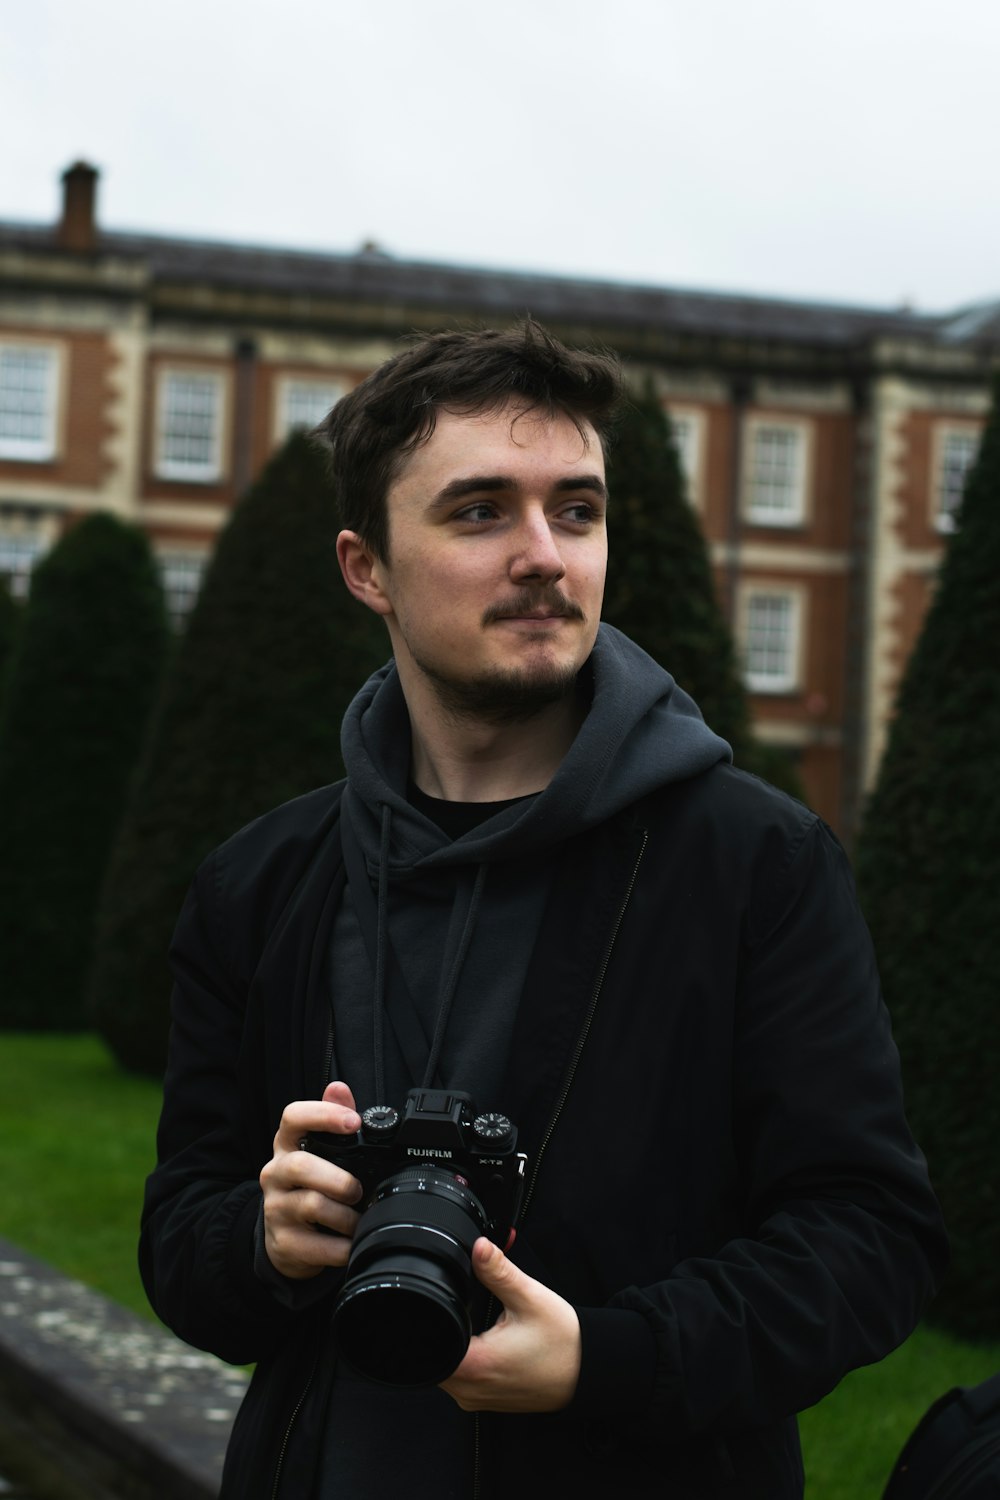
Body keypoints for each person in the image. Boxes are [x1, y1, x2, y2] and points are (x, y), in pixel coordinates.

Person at [140, 321, 947, 1499]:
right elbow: (181, 1237)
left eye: (575, 510)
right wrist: (259, 1243)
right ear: (365, 567)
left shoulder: (755, 862)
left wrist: (610, 1358)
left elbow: (872, 1240)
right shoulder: (261, 881)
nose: (544, 556)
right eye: (479, 512)